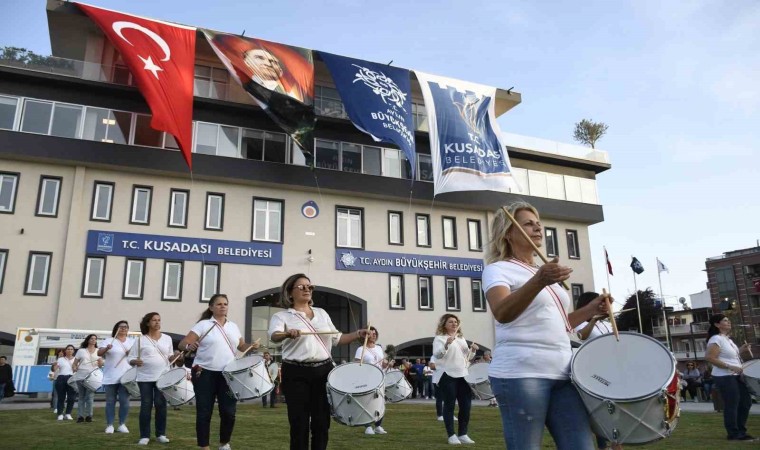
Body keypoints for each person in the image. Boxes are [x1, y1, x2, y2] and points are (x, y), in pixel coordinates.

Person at [482, 201, 611, 449]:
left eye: (539, 224)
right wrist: (539, 281)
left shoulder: (544, 272)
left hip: (564, 372)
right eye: (528, 224)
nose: (538, 228)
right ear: (508, 231)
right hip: (521, 372)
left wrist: (591, 310)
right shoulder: (497, 269)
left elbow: (561, 325)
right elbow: (502, 312)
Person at [268, 273, 368, 450]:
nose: (307, 289)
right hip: (296, 372)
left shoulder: (321, 313)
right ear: (290, 292)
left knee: (322, 423)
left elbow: (337, 338)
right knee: (299, 424)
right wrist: (286, 333)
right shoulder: (282, 316)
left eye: (309, 286)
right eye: (301, 287)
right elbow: (274, 336)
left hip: (323, 371)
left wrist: (357, 334)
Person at [179, 294, 260, 450]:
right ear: (211, 307)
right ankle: (204, 446)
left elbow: (241, 347)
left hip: (228, 375)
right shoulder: (203, 325)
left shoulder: (233, 326)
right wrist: (189, 347)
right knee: (204, 411)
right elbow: (183, 344)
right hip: (204, 373)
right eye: (219, 304)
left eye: (225, 304)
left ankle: (224, 443)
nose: (223, 306)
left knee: (229, 411)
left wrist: (252, 346)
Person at [573, 292, 620, 450]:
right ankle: (604, 445)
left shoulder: (607, 324)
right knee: (598, 409)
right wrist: (593, 319)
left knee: (612, 409)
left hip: (609, 368)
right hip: (592, 371)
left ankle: (614, 443)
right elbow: (582, 337)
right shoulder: (579, 323)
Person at [704, 314, 756, 441]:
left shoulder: (728, 340)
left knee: (745, 402)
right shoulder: (716, 339)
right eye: (725, 320)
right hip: (724, 376)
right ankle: (733, 433)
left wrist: (741, 349)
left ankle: (741, 431)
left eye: (728, 320)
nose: (729, 322)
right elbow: (710, 358)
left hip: (735, 376)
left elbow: (728, 356)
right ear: (717, 324)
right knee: (732, 404)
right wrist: (730, 367)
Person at [433, 313, 478, 445]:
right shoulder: (439, 339)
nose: (454, 324)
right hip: (447, 375)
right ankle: (451, 435)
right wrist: (446, 344)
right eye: (451, 322)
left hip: (463, 375)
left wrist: (473, 351)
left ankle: (463, 434)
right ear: (444, 325)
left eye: (455, 322)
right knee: (449, 405)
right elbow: (437, 355)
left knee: (466, 406)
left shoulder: (461, 338)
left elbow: (467, 357)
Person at [130, 312, 174, 445]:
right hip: (145, 377)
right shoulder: (140, 340)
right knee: (146, 406)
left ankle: (160, 434)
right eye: (154, 320)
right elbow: (130, 358)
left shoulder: (167, 338)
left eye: (159, 320)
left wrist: (176, 356)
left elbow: (170, 356)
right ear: (148, 323)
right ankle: (144, 436)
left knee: (161, 405)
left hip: (163, 376)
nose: (157, 322)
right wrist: (134, 362)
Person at [98, 320, 134, 434]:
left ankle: (122, 424)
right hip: (110, 376)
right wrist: (107, 348)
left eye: (125, 327)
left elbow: (135, 358)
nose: (123, 328)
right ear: (116, 328)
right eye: (121, 327)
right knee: (110, 401)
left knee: (124, 401)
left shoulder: (132, 341)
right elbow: (99, 353)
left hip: (126, 376)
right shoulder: (109, 340)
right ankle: (109, 425)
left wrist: (131, 354)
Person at [354, 326, 389, 435]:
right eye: (371, 333)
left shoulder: (378, 348)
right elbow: (357, 365)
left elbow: (382, 365)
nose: (374, 335)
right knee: (368, 403)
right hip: (367, 379)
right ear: (366, 335)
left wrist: (387, 363)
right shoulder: (361, 349)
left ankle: (378, 426)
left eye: (375, 333)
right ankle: (368, 426)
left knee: (381, 402)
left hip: (380, 378)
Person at [73, 334, 104, 423]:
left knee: (90, 397)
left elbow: (101, 365)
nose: (93, 340)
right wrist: (75, 367)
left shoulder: (98, 351)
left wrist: (100, 362)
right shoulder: (81, 351)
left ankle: (89, 415)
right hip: (81, 375)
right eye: (92, 338)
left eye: (95, 339)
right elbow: (75, 363)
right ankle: (80, 416)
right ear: (88, 340)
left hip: (92, 377)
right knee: (81, 396)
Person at [52, 345, 77, 420]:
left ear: (73, 351)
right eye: (68, 349)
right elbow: (54, 369)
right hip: (61, 378)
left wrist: (75, 368)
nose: (70, 350)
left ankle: (68, 413)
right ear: (65, 351)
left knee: (71, 398)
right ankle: (60, 414)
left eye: (71, 349)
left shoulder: (76, 359)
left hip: (72, 378)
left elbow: (77, 370)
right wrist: (54, 365)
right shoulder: (60, 359)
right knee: (61, 397)